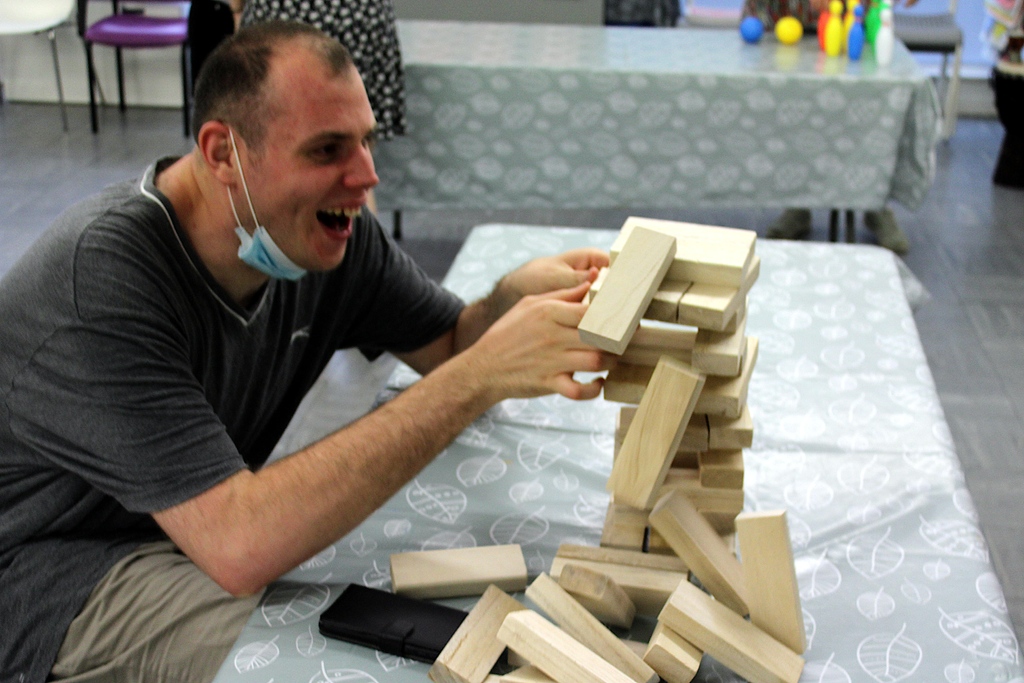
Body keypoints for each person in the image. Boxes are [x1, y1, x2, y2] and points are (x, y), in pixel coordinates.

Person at [0, 22, 613, 683]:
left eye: (366, 141)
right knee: (341, 660)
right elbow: (239, 543)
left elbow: (452, 344)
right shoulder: (103, 282)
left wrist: (506, 304)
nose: (366, 175)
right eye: (327, 150)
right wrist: (475, 378)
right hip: (59, 568)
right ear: (222, 154)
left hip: (191, 522)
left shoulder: (319, 232)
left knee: (428, 622)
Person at [747, 0, 920, 255]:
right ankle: (797, 202)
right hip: (786, 21)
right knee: (792, 109)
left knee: (867, 109)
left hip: (851, 22)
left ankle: (875, 204)